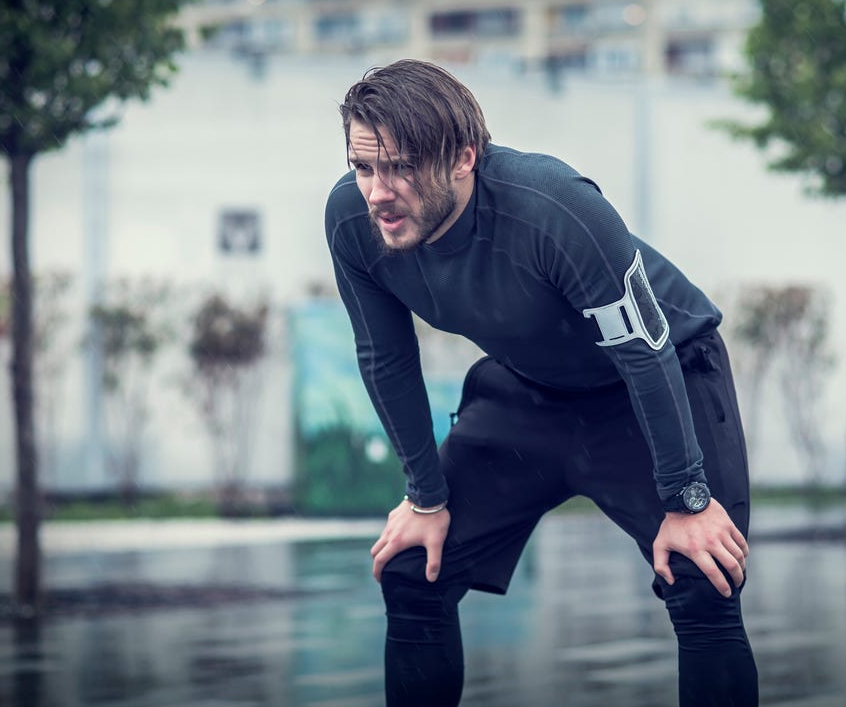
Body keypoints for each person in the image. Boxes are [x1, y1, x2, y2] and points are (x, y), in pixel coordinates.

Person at [324, 59, 757, 706]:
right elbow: (385, 357)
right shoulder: (353, 223)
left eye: (402, 166)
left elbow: (644, 348)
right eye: (364, 166)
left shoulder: (555, 207)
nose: (378, 191)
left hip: (658, 379)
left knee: (703, 574)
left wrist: (687, 497)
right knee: (414, 566)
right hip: (532, 389)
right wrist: (425, 497)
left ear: (464, 156)